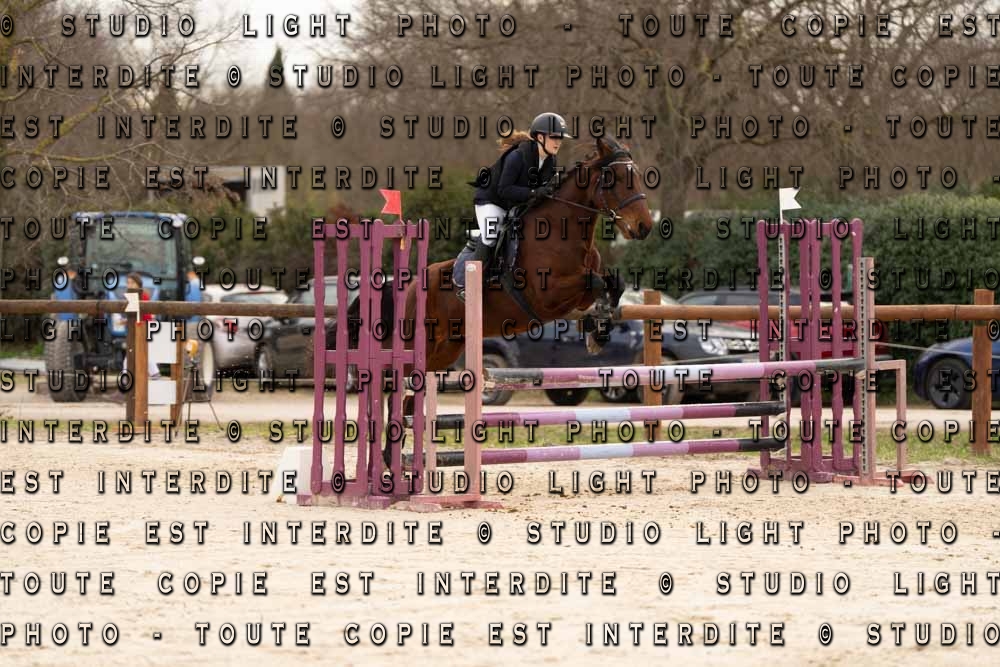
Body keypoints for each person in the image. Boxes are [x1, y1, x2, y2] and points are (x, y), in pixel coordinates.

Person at [454, 112, 572, 302]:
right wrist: (534, 192)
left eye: (560, 138)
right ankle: (471, 285)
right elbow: (504, 189)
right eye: (554, 137)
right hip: (492, 201)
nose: (558, 142)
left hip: (515, 205)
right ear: (540, 137)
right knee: (491, 234)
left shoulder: (551, 161)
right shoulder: (518, 156)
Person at [123, 272, 161, 381]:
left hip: (142, 327)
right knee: (135, 352)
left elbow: (145, 315)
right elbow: (133, 314)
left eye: (132, 283)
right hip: (137, 327)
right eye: (128, 283)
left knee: (140, 351)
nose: (130, 285)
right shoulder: (132, 296)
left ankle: (153, 373)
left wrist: (141, 324)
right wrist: (127, 321)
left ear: (138, 284)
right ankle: (153, 373)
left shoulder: (142, 296)